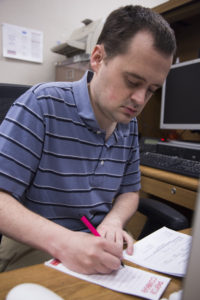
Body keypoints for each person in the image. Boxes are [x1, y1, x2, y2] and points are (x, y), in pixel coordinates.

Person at [0, 5, 176, 274]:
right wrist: (67, 242)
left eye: (151, 90)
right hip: (38, 243)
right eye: (132, 81)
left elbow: (129, 190)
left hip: (99, 240)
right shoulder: (41, 104)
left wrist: (114, 221)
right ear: (97, 57)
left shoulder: (128, 124)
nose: (140, 100)